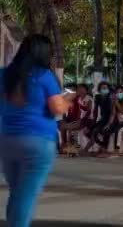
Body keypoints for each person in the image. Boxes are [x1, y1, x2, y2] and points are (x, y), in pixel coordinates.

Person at [0, 34, 76, 226]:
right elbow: (57, 109)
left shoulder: (4, 74)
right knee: (25, 195)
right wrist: (68, 99)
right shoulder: (44, 75)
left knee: (17, 191)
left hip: (8, 139)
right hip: (38, 141)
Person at [94, 85, 123, 156]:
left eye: (121, 92)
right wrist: (108, 124)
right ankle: (104, 149)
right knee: (106, 129)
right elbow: (113, 115)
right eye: (117, 92)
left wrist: (116, 103)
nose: (119, 94)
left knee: (119, 130)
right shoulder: (115, 101)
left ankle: (116, 150)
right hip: (122, 121)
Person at [82, 82, 113, 154]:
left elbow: (112, 113)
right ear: (99, 90)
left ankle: (87, 149)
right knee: (87, 131)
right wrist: (93, 123)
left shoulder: (110, 98)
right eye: (102, 88)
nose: (104, 89)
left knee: (99, 130)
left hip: (111, 119)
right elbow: (95, 112)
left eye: (106, 88)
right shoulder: (98, 97)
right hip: (102, 119)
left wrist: (108, 123)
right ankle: (102, 146)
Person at [60, 84, 92, 151]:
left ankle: (70, 146)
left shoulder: (86, 98)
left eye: (82, 89)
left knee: (69, 127)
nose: (80, 90)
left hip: (86, 120)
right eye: (79, 89)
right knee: (63, 125)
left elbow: (87, 112)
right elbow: (79, 111)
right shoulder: (78, 99)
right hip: (76, 119)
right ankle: (66, 145)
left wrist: (78, 121)